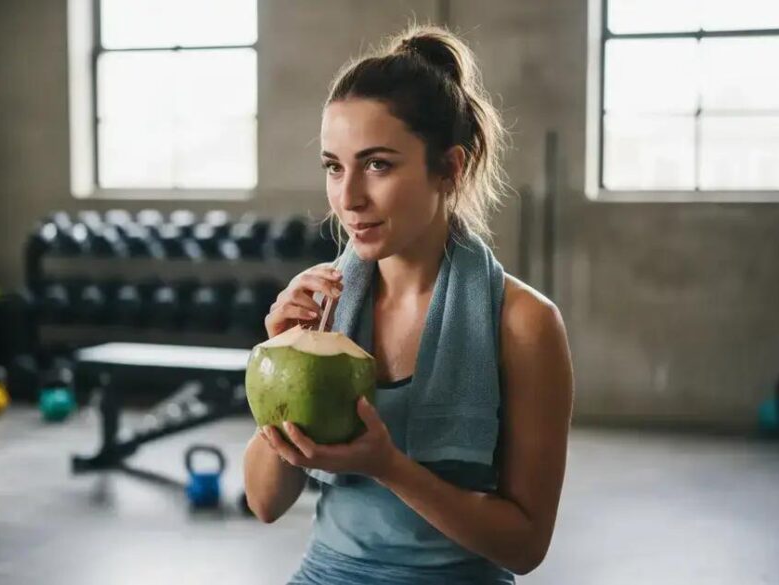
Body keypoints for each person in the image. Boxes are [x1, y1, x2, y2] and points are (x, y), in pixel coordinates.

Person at [242, 24, 574, 584]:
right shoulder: (322, 307)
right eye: (334, 166)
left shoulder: (524, 324)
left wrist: (388, 466)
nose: (348, 199)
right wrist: (277, 360)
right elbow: (265, 502)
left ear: (450, 167)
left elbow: (524, 547)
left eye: (378, 165)